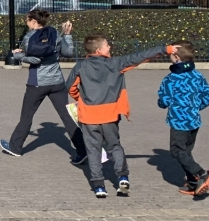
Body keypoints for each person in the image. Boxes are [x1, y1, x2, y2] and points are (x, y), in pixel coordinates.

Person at [66, 34, 175, 198]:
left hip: (88, 116)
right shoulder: (115, 63)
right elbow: (139, 57)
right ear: (99, 50)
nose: (110, 46)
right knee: (114, 146)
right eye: (107, 45)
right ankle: (122, 177)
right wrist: (165, 49)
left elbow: (70, 87)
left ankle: (99, 186)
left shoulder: (81, 65)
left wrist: (81, 99)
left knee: (93, 151)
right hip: (110, 115)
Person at [0, 10, 87, 164]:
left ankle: (15, 147)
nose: (26, 23)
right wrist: (67, 35)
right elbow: (68, 52)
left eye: (27, 20)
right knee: (67, 117)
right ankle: (83, 150)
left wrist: (17, 55)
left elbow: (35, 60)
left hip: (37, 83)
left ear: (34, 21)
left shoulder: (29, 37)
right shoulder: (54, 33)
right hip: (57, 83)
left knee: (26, 116)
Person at [157, 41, 209, 197]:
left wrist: (163, 103)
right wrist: (195, 107)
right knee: (186, 153)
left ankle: (202, 174)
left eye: (170, 54)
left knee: (177, 151)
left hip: (179, 121)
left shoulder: (170, 79)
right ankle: (193, 183)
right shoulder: (197, 75)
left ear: (176, 57)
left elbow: (163, 101)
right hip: (194, 120)